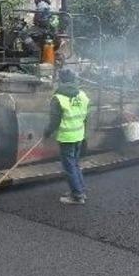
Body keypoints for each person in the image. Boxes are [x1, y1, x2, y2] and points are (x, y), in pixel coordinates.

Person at [44, 68, 90, 205]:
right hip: (79, 135)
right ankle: (80, 190)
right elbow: (86, 115)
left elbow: (54, 121)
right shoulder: (82, 94)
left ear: (60, 80)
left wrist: (47, 132)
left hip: (67, 137)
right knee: (75, 164)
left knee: (69, 167)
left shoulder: (58, 98)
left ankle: (77, 195)